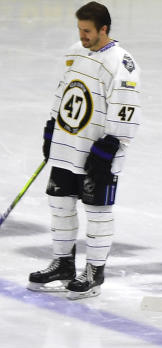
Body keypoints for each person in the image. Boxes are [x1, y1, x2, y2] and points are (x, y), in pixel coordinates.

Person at [28, 1, 141, 299]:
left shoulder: (121, 62)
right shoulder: (74, 53)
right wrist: (51, 125)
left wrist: (110, 147)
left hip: (97, 154)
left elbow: (127, 109)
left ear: (104, 29)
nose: (83, 36)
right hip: (67, 145)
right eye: (79, 29)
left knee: (98, 213)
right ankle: (63, 264)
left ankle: (94, 273)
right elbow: (63, 89)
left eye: (88, 31)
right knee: (60, 205)